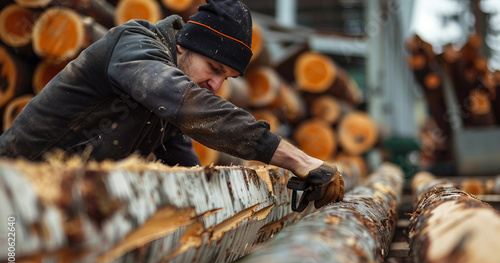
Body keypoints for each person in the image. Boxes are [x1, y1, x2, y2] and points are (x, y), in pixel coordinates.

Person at [0, 0, 344, 208]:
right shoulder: (134, 46)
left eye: (227, 78)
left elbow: (187, 169)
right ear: (184, 46)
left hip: (57, 205)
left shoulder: (164, 106)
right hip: (12, 192)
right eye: (214, 69)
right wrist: (297, 158)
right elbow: (188, 104)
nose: (216, 85)